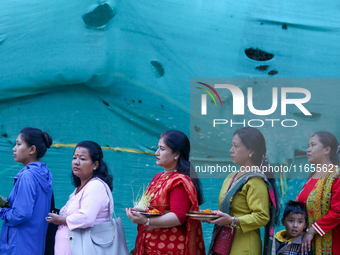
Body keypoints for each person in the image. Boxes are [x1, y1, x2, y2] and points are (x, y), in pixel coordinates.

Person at [126, 130, 205, 255]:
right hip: (149, 244)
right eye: (158, 148)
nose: (157, 153)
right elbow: (155, 209)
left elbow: (178, 216)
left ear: (176, 154)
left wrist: (147, 222)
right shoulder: (158, 177)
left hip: (168, 248)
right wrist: (139, 213)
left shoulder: (179, 181)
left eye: (162, 149)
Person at [207, 127, 280, 255]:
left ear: (250, 151)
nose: (231, 150)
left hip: (244, 247)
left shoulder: (255, 181)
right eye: (231, 146)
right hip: (225, 243)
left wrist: (232, 221)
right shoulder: (231, 176)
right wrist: (213, 216)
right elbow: (228, 210)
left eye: (236, 146)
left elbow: (262, 217)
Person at [46, 141, 113, 255]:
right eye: (74, 158)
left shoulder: (96, 186)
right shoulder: (79, 189)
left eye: (82, 159)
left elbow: (87, 217)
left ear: (95, 165)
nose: (76, 162)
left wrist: (61, 220)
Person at [0, 127, 53, 255]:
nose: (14, 148)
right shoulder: (45, 173)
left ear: (32, 149)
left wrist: (2, 211)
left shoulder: (27, 176)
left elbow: (21, 214)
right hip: (34, 246)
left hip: (18, 246)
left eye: (18, 144)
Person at [296, 131, 340, 255]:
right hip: (308, 244)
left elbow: (338, 211)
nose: (308, 150)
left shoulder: (336, 176)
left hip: (330, 243)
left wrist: (312, 230)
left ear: (327, 150)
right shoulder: (312, 177)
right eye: (308, 146)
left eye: (313, 145)